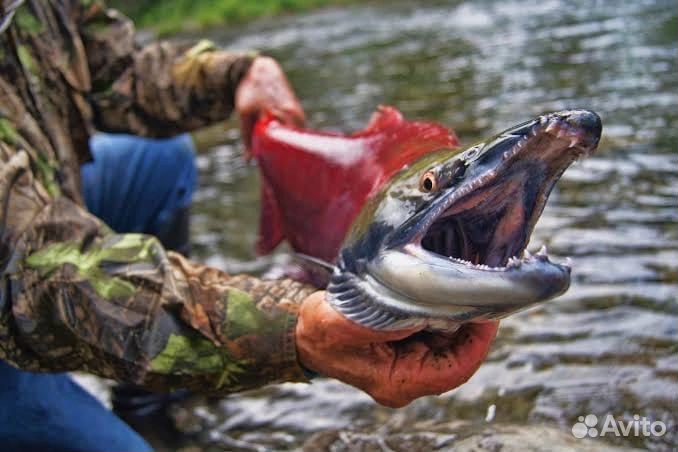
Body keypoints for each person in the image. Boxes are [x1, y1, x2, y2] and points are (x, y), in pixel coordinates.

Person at [0, 1, 500, 451]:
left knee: (161, 162)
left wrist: (236, 75)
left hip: (39, 203)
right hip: (15, 274)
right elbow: (29, 268)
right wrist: (292, 331)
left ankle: (150, 404)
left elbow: (116, 68)